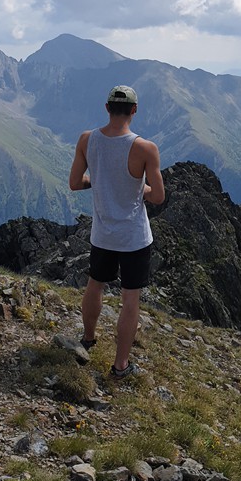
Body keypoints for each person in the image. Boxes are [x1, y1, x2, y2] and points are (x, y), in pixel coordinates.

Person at [67, 84, 165, 379]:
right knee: (129, 300)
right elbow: (157, 196)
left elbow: (75, 183)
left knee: (95, 285)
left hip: (102, 234)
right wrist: (139, 187)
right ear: (134, 111)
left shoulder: (87, 140)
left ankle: (87, 339)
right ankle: (121, 366)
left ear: (107, 108)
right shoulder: (145, 149)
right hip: (134, 237)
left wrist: (99, 180)